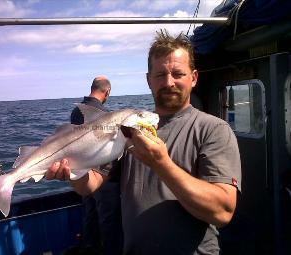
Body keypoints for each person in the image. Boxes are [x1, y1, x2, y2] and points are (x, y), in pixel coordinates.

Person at [46, 30, 241, 255]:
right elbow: (91, 185)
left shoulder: (214, 129)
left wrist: (161, 164)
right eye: (160, 75)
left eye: (178, 73)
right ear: (148, 80)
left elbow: (223, 212)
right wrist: (72, 172)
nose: (169, 82)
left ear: (194, 78)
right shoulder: (129, 127)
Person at [70, 76, 123, 255]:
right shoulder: (103, 115)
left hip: (83, 173)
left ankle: (90, 248)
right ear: (107, 92)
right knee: (109, 220)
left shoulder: (77, 110)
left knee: (90, 214)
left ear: (91, 87)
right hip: (102, 176)